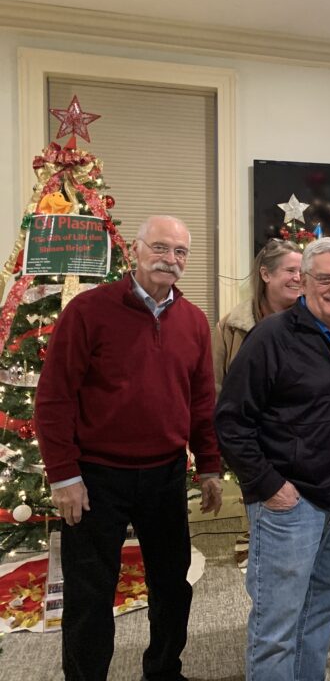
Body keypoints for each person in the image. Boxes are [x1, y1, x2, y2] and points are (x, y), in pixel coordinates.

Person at [34, 215, 223, 681]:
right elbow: (54, 397)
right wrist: (64, 475)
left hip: (165, 474)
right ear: (135, 250)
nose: (170, 259)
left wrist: (209, 466)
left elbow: (201, 401)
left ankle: (164, 672)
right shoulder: (88, 311)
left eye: (180, 252)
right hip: (95, 478)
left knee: (172, 587)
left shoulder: (194, 321)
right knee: (90, 594)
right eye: (160, 247)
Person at [215, 237, 330, 681]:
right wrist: (269, 486)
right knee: (278, 626)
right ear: (303, 282)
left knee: (320, 611)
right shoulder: (271, 337)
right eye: (325, 278)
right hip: (289, 505)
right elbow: (231, 421)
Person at [212, 237, 302, 392]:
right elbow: (214, 388)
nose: (298, 278)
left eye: (302, 272)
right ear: (265, 274)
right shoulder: (229, 329)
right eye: (290, 270)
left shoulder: (314, 324)